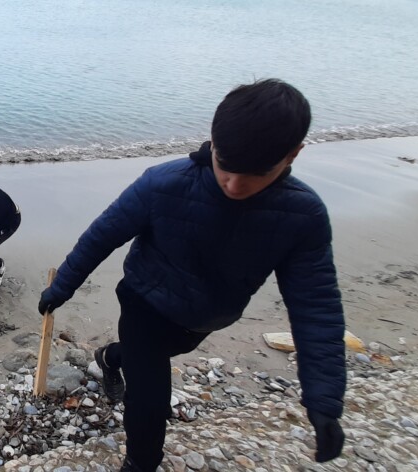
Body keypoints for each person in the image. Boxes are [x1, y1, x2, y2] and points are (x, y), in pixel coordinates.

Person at [38, 79, 346, 471]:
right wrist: (62, 285)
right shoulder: (163, 183)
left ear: (292, 155)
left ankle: (109, 357)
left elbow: (315, 307)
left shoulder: (301, 216)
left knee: (154, 353)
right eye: (224, 167)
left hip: (204, 319)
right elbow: (103, 235)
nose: (234, 185)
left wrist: (324, 399)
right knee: (150, 401)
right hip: (144, 302)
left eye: (254, 175)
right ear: (213, 143)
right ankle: (140, 463)